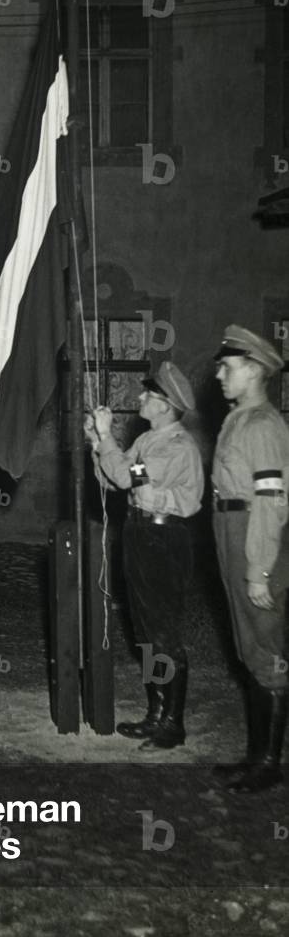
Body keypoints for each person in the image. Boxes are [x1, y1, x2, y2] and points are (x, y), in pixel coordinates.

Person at [87, 361, 203, 751]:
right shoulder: (149, 440)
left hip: (163, 538)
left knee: (163, 631)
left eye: (148, 394)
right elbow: (114, 480)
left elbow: (127, 476)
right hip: (140, 532)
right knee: (144, 632)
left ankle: (172, 723)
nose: (139, 397)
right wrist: (97, 445)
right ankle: (155, 713)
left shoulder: (176, 447)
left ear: (165, 405)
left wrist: (107, 438)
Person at [212, 324, 289, 794]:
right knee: (250, 649)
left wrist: (260, 569)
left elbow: (271, 502)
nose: (219, 375)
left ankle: (269, 764)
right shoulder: (239, 419)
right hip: (231, 530)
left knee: (266, 651)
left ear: (255, 370)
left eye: (228, 367)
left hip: (254, 537)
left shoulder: (262, 426)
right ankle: (255, 756)